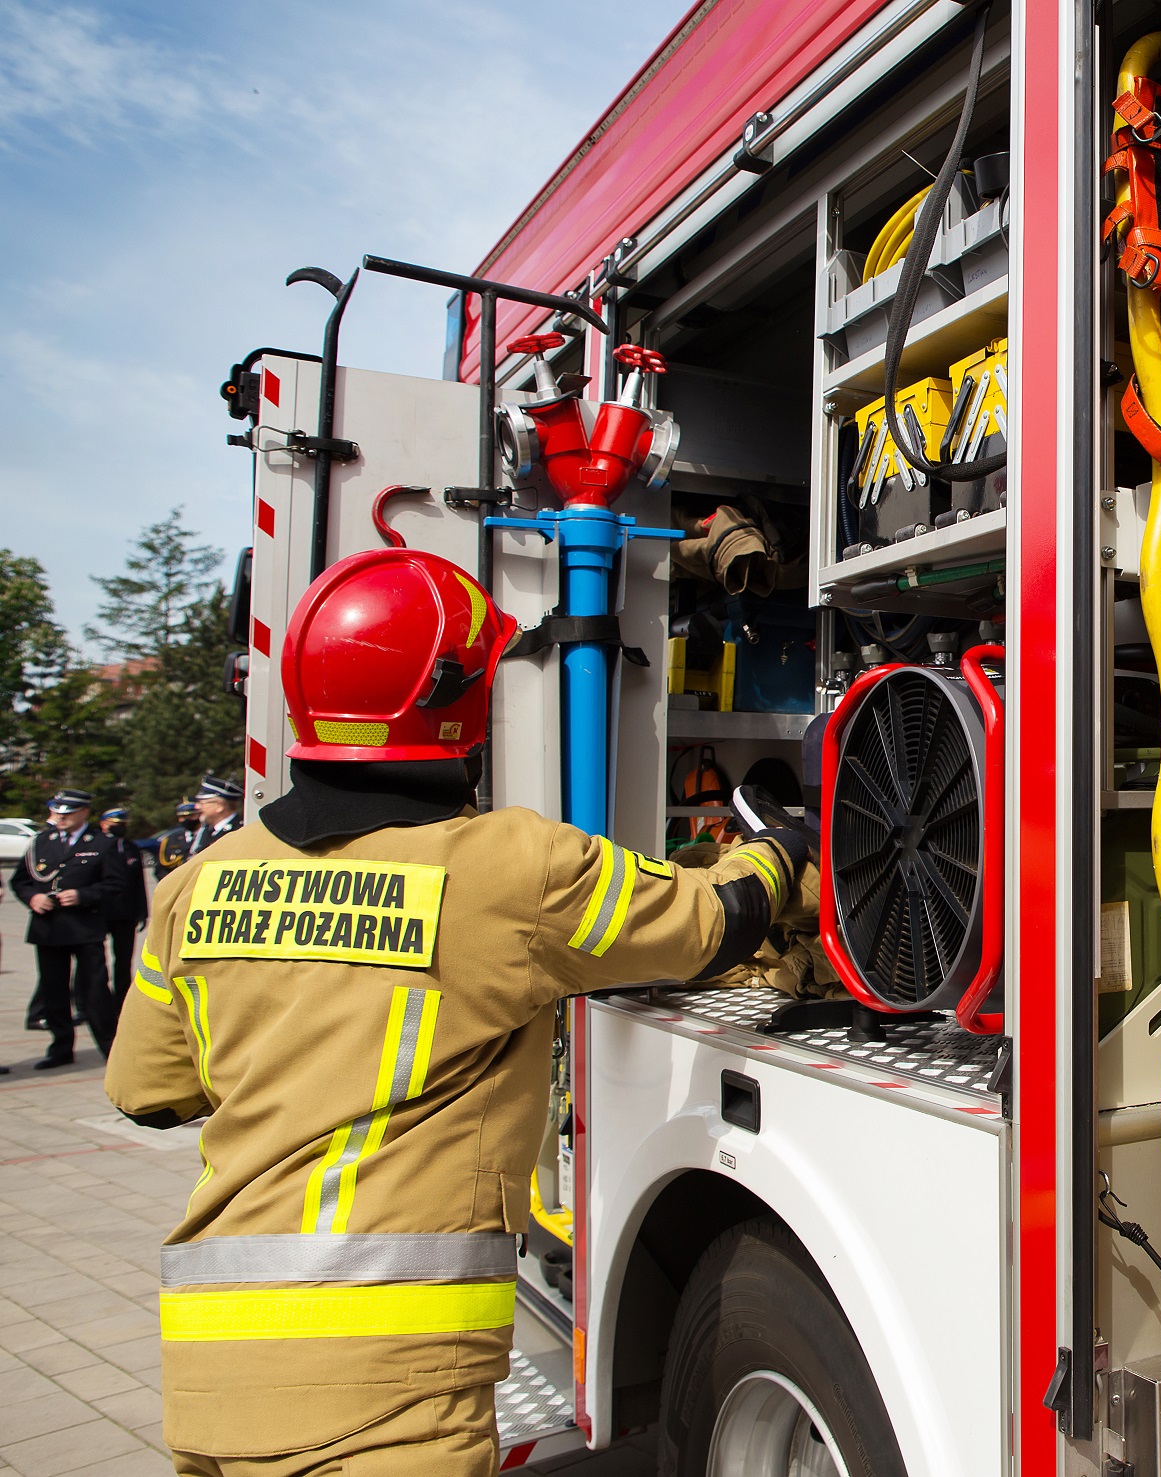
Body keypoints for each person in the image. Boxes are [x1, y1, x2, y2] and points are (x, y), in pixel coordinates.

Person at [105, 548, 806, 1476]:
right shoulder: (509, 869)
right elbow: (708, 923)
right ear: (458, 707)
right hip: (386, 1386)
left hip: (209, 1365)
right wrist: (784, 848)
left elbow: (148, 1093)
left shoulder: (196, 885)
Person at [9, 788, 127, 1067]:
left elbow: (117, 884)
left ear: (84, 812)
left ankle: (111, 1048)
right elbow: (20, 881)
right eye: (57, 812)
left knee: (95, 989)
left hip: (85, 926)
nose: (60, 818)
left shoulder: (102, 843)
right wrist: (33, 898)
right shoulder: (41, 841)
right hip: (48, 928)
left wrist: (83, 895)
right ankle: (61, 1047)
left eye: (68, 813)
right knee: (53, 991)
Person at [98, 806, 149, 1022]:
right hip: (100, 912)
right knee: (95, 962)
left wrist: (143, 911)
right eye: (114, 824)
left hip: (126, 913)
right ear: (103, 824)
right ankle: (91, 1002)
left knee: (124, 959)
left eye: (122, 824)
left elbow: (139, 883)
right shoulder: (96, 847)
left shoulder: (130, 848)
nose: (119, 828)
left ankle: (122, 1000)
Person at [188, 775, 244, 854]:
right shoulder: (207, 830)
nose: (197, 807)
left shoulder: (239, 830)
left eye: (202, 803)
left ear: (219, 806)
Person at [154, 800, 199, 879]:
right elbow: (161, 869)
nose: (187, 819)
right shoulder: (170, 840)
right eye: (183, 817)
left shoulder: (209, 837)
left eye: (191, 816)